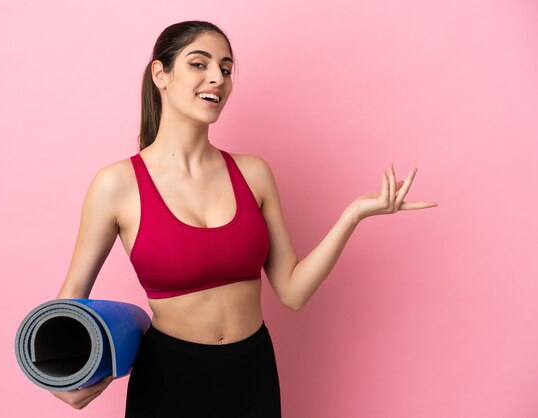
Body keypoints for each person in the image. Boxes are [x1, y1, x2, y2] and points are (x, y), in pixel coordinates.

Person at [50, 20, 437, 417]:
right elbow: (71, 296)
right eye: (199, 64)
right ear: (160, 74)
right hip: (169, 379)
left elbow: (293, 292)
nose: (217, 78)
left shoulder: (253, 173)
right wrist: (60, 376)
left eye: (226, 68)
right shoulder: (116, 184)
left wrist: (352, 216)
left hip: (253, 373)